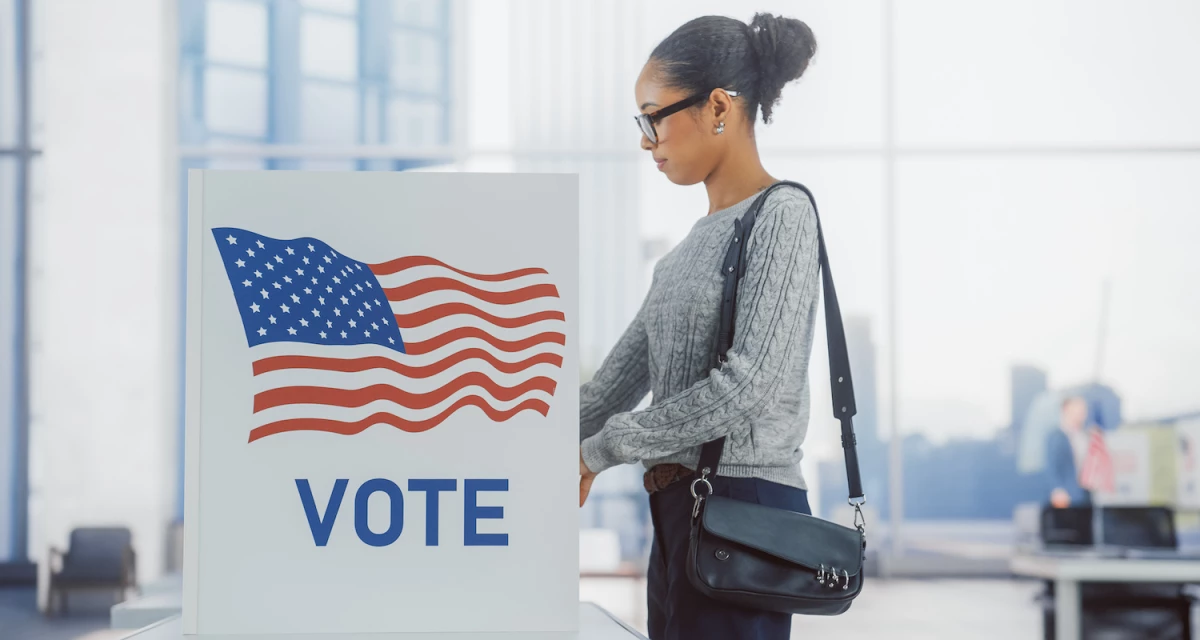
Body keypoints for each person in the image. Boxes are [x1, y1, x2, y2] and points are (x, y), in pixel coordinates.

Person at [576, 13, 820, 640]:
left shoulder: (783, 214)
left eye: (653, 115)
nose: (645, 138)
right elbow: (607, 394)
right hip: (678, 515)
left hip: (743, 516)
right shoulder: (682, 254)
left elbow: (747, 386)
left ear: (717, 106)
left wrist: (600, 452)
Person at [1046, 395, 1093, 508]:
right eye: (1078, 408)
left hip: (1087, 495)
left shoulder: (1086, 435)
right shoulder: (1057, 436)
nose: (1082, 413)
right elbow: (1052, 467)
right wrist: (1057, 489)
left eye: (1084, 409)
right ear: (1066, 410)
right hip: (1066, 497)